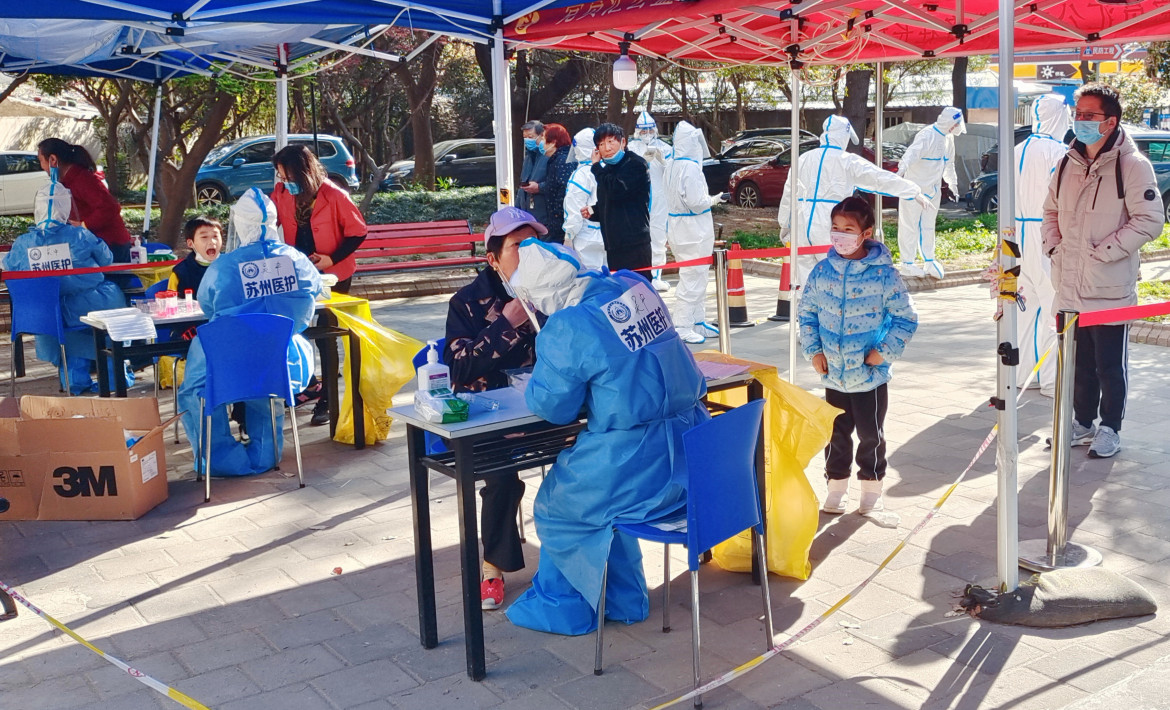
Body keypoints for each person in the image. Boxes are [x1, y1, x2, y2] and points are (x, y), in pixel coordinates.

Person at [504, 240, 709, 636]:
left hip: (635, 460)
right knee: (601, 504)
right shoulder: (633, 285)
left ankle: (564, 607)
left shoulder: (567, 327)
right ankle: (623, 599)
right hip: (690, 452)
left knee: (559, 505)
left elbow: (553, 408)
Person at [1041, 83, 1165, 459]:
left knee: (1109, 365)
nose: (1080, 121)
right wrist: (1054, 247)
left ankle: (1110, 427)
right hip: (1069, 284)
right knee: (1076, 365)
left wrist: (1103, 252)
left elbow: (1150, 220)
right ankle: (1081, 422)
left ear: (1110, 122)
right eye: (1077, 114)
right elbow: (1049, 211)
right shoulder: (1067, 162)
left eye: (1089, 115)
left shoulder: (1132, 165)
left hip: (1109, 285)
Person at [178, 188, 322, 477]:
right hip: (280, 354)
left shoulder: (226, 265)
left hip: (228, 354)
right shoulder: (295, 259)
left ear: (239, 223)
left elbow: (208, 305)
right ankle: (265, 456)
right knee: (266, 394)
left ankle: (216, 459)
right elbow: (314, 292)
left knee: (196, 391)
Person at [444, 206, 542, 611]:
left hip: (546, 408)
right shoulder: (466, 302)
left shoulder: (549, 288)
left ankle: (580, 557)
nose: (529, 253)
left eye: (535, 244)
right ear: (493, 258)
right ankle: (491, 570)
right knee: (502, 478)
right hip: (493, 416)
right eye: (519, 246)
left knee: (592, 450)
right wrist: (506, 323)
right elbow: (461, 365)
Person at [798, 196, 918, 521]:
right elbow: (806, 313)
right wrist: (814, 351)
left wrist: (883, 353)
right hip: (833, 375)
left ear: (866, 233)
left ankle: (871, 490)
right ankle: (835, 488)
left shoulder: (884, 276)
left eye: (848, 229)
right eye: (835, 228)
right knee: (835, 434)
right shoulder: (822, 272)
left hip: (869, 376)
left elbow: (906, 318)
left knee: (870, 436)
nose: (840, 235)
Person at [777, 116, 931, 310]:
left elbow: (788, 193)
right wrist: (912, 190)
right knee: (833, 279)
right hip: (830, 223)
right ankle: (830, 328)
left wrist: (785, 224)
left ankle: (806, 329)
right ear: (843, 136)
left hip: (800, 221)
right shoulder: (846, 161)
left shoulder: (803, 159)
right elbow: (878, 178)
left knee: (805, 281)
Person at [271, 144, 367, 426]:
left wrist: (330, 258)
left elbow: (358, 232)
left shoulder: (334, 195)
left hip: (333, 273)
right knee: (293, 327)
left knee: (326, 334)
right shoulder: (281, 193)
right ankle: (309, 385)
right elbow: (265, 214)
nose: (283, 181)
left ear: (303, 172)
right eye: (279, 176)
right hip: (298, 271)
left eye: (287, 175)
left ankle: (327, 399)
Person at [3, 181, 127, 394]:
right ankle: (116, 379)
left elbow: (10, 267)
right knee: (106, 320)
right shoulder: (80, 235)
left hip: (44, 312)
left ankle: (74, 382)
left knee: (67, 331)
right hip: (91, 304)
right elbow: (106, 259)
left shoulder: (24, 242)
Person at [1015, 94, 1072, 397]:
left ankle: (1025, 374)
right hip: (1046, 237)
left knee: (1025, 309)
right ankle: (1052, 381)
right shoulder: (1059, 152)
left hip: (1016, 238)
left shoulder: (1016, 150)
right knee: (1054, 309)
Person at [665, 121, 726, 344]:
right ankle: (683, 324)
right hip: (693, 230)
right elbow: (696, 202)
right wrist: (715, 199)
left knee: (697, 276)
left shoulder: (672, 164)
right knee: (692, 278)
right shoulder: (689, 168)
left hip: (681, 228)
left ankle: (697, 321)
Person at [36, 138, 133, 262]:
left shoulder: (82, 179)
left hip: (110, 245)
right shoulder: (67, 181)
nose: (42, 167)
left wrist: (84, 225)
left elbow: (110, 207)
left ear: (53, 160)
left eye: (41, 161)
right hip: (95, 244)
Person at [897, 108, 966, 279]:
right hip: (914, 189)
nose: (957, 127)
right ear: (949, 123)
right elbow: (912, 154)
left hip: (932, 190)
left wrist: (953, 183)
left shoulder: (948, 139)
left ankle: (929, 260)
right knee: (909, 225)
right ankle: (907, 263)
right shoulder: (927, 135)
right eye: (955, 123)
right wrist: (901, 171)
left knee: (928, 226)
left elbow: (948, 164)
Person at [587, 122, 653, 272]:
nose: (607, 148)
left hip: (634, 242)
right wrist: (593, 211)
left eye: (611, 141)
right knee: (621, 290)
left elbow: (617, 190)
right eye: (601, 144)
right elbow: (610, 201)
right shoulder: (608, 170)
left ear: (623, 142)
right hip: (614, 243)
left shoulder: (635, 164)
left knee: (639, 290)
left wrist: (596, 167)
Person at [627, 111, 674, 292]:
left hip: (660, 201)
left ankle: (657, 276)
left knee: (659, 237)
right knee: (637, 239)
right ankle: (640, 276)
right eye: (643, 131)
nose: (647, 134)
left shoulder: (666, 149)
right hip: (637, 200)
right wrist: (641, 163)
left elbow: (673, 174)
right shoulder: (631, 149)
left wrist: (664, 162)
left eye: (649, 130)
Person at [562, 128, 606, 270]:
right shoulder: (606, 169)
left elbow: (575, 209)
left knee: (590, 282)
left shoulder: (580, 175)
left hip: (586, 236)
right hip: (607, 234)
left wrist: (569, 236)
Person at [540, 123, 574, 244]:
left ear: (553, 142)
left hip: (562, 226)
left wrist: (556, 215)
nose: (541, 143)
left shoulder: (562, 161)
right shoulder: (557, 159)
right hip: (558, 225)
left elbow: (564, 188)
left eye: (543, 139)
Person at [518, 121, 550, 227]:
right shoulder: (528, 156)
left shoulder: (549, 155)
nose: (527, 140)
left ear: (542, 135)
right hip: (527, 214)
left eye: (531, 137)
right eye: (525, 137)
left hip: (544, 215)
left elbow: (557, 182)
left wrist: (539, 187)